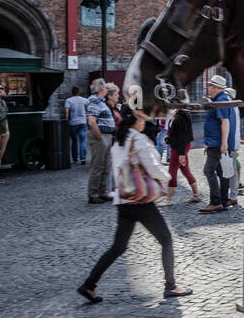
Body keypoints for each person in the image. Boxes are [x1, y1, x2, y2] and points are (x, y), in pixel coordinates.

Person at [77, 103, 192, 303]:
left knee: (118, 246)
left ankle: (89, 284)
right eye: (142, 118)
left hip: (124, 199)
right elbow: (154, 168)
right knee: (166, 240)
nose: (145, 122)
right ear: (135, 120)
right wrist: (166, 178)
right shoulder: (138, 140)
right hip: (140, 201)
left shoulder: (118, 141)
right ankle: (171, 285)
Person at [200, 75, 236, 213]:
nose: (207, 88)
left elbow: (225, 122)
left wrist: (224, 143)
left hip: (217, 143)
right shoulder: (219, 100)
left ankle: (215, 202)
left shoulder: (221, 100)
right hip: (214, 142)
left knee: (208, 170)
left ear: (215, 87)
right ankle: (223, 200)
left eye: (209, 85)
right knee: (222, 172)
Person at [86, 79, 116, 203]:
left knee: (106, 166)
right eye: (104, 87)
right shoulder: (94, 100)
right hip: (101, 136)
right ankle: (93, 194)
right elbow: (92, 122)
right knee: (97, 166)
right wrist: (100, 138)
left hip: (106, 136)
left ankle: (102, 192)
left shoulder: (100, 101)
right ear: (101, 89)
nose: (106, 89)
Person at [165, 108, 202, 204]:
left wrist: (181, 154)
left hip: (180, 147)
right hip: (178, 147)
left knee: (172, 171)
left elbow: (182, 136)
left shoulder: (182, 115)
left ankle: (168, 199)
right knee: (185, 170)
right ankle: (196, 195)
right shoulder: (179, 113)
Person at [64, 85, 88, 165]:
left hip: (73, 123)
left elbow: (66, 112)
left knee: (74, 141)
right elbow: (88, 110)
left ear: (72, 92)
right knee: (83, 140)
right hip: (83, 122)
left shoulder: (68, 100)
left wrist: (66, 120)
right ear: (79, 92)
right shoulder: (85, 100)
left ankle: (75, 158)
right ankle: (83, 158)